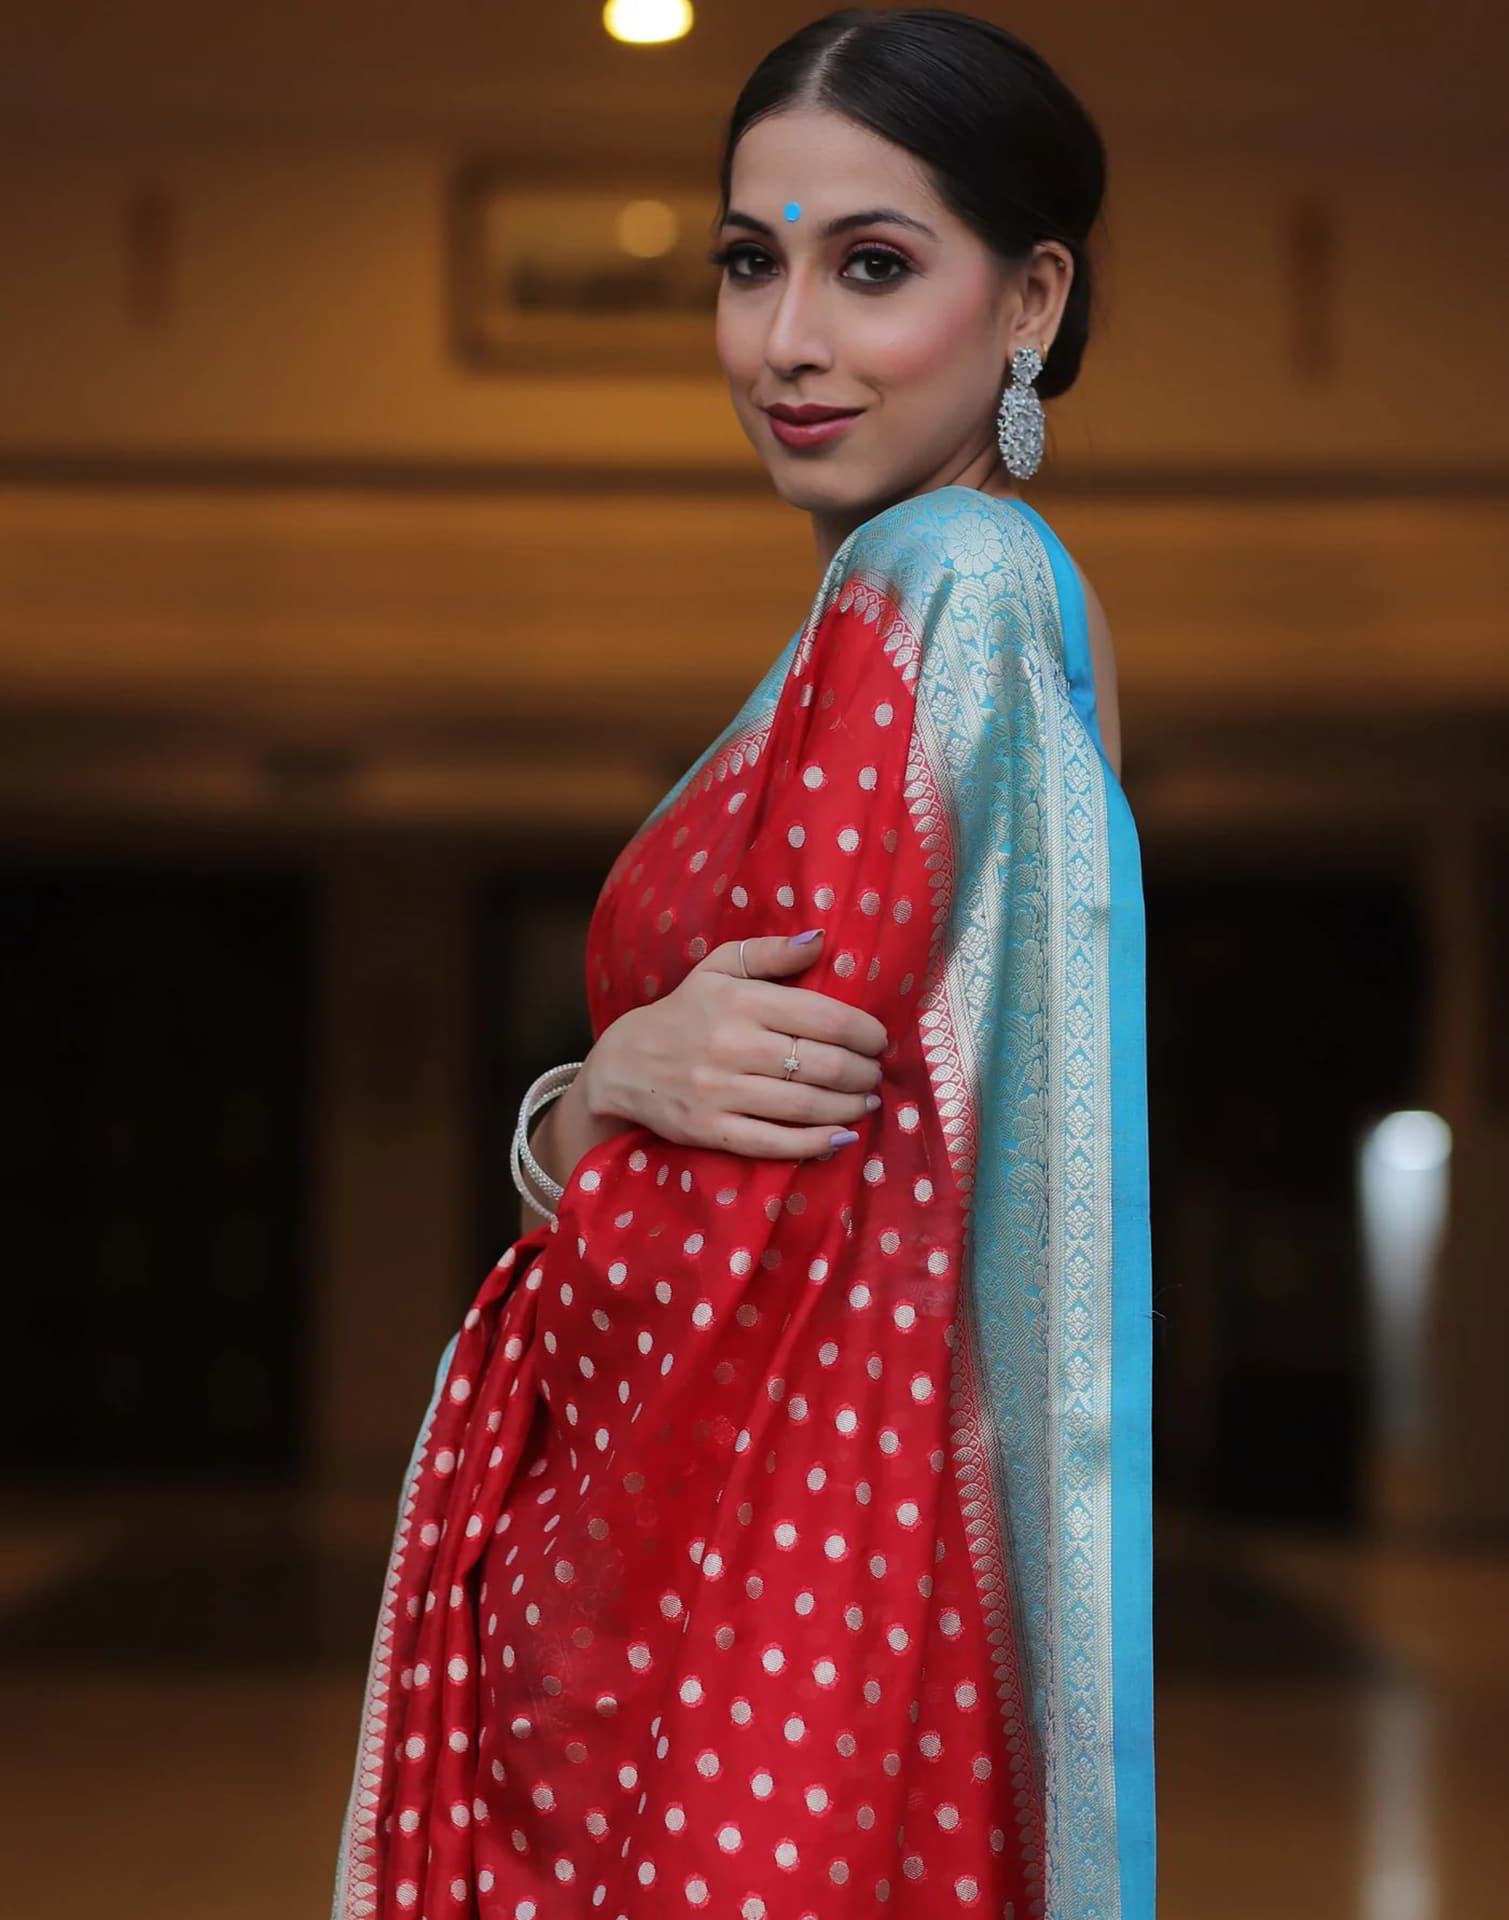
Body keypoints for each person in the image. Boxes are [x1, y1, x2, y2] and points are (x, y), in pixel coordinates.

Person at [331, 9, 1153, 1918]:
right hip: (745, 1556)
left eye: (873, 266)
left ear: (1029, 299)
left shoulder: (946, 585)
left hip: (769, 1586)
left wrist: (584, 1136)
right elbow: (717, 1107)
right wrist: (592, 1096)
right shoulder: (895, 610)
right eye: (747, 262)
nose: (787, 340)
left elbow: (788, 1195)